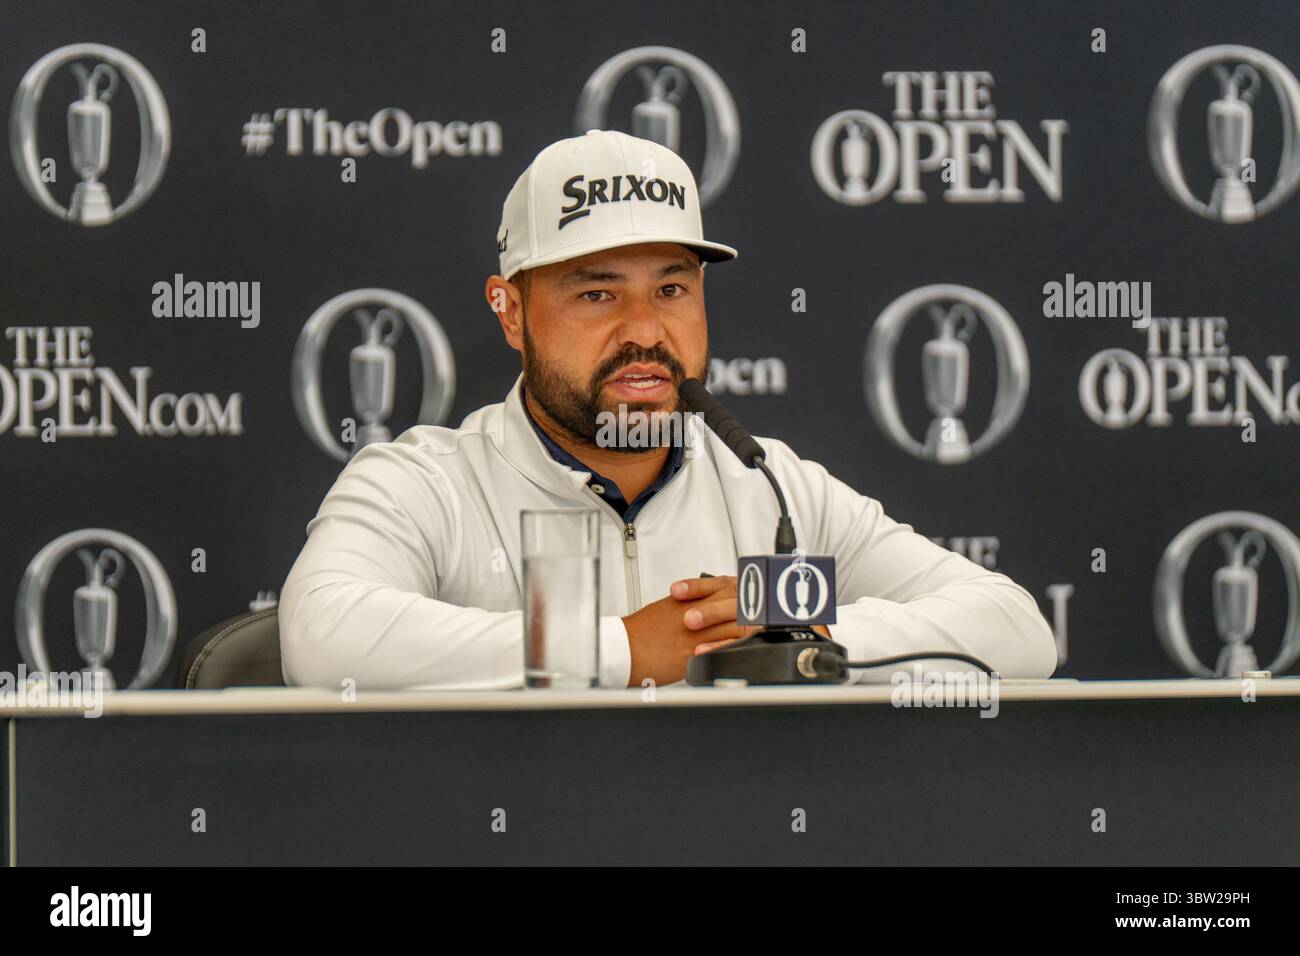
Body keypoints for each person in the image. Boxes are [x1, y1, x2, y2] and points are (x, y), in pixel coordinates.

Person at [278, 129, 1057, 689]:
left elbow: (1017, 629)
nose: (646, 332)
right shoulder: (425, 481)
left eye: (672, 288)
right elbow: (321, 638)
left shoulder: (771, 487)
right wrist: (621, 649)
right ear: (510, 311)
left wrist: (798, 632)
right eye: (596, 292)